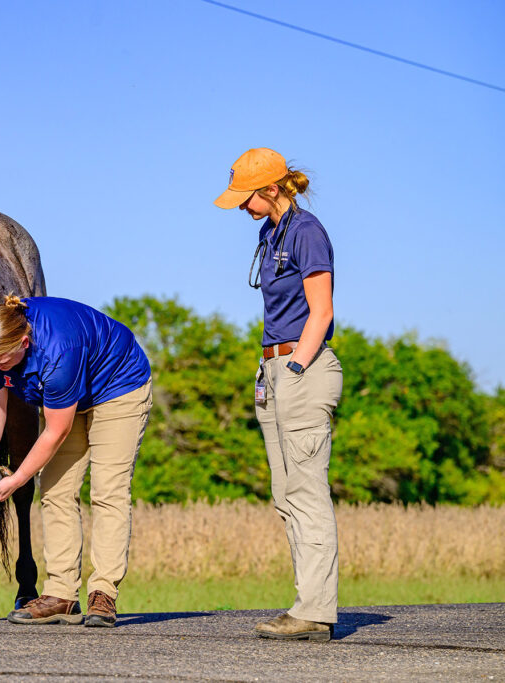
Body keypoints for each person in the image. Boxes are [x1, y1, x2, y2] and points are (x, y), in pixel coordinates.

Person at [214, 148, 343, 641]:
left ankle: (315, 610)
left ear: (271, 189)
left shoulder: (307, 232)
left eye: (246, 198)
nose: (241, 208)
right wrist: (270, 369)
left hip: (301, 368)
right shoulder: (269, 231)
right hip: (274, 368)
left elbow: (322, 311)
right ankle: (304, 604)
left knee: (308, 492)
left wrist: (293, 365)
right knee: (285, 494)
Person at [0, 295, 152, 627]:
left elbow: (55, 432)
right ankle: (62, 594)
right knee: (54, 491)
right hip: (68, 399)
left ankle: (103, 593)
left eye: (1, 362)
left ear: (24, 343)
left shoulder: (57, 352)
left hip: (117, 388)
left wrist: (16, 479)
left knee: (107, 491)